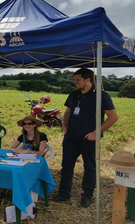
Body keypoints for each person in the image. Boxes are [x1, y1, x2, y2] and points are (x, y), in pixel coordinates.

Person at [50, 68, 118, 208]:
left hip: (89, 139)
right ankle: (63, 195)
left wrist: (96, 133)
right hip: (71, 138)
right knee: (66, 167)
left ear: (88, 80)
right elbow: (68, 111)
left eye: (78, 80)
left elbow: (113, 117)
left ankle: (86, 197)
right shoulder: (74, 95)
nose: (75, 83)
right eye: (74, 80)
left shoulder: (101, 96)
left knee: (90, 168)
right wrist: (65, 126)